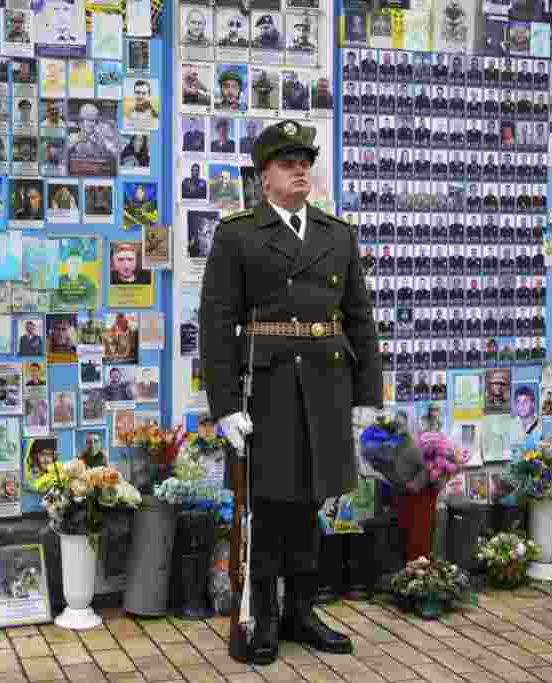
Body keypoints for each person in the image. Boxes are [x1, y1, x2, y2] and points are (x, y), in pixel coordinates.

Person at [199, 120, 380, 665]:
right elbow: (215, 323)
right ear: (263, 178)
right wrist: (226, 406)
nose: (300, 169)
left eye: (305, 161)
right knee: (269, 507)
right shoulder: (238, 234)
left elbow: (359, 319)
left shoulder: (336, 234)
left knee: (311, 505)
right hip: (269, 388)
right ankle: (265, 618)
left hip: (325, 385)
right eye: (287, 163)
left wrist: (366, 391)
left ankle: (304, 611)